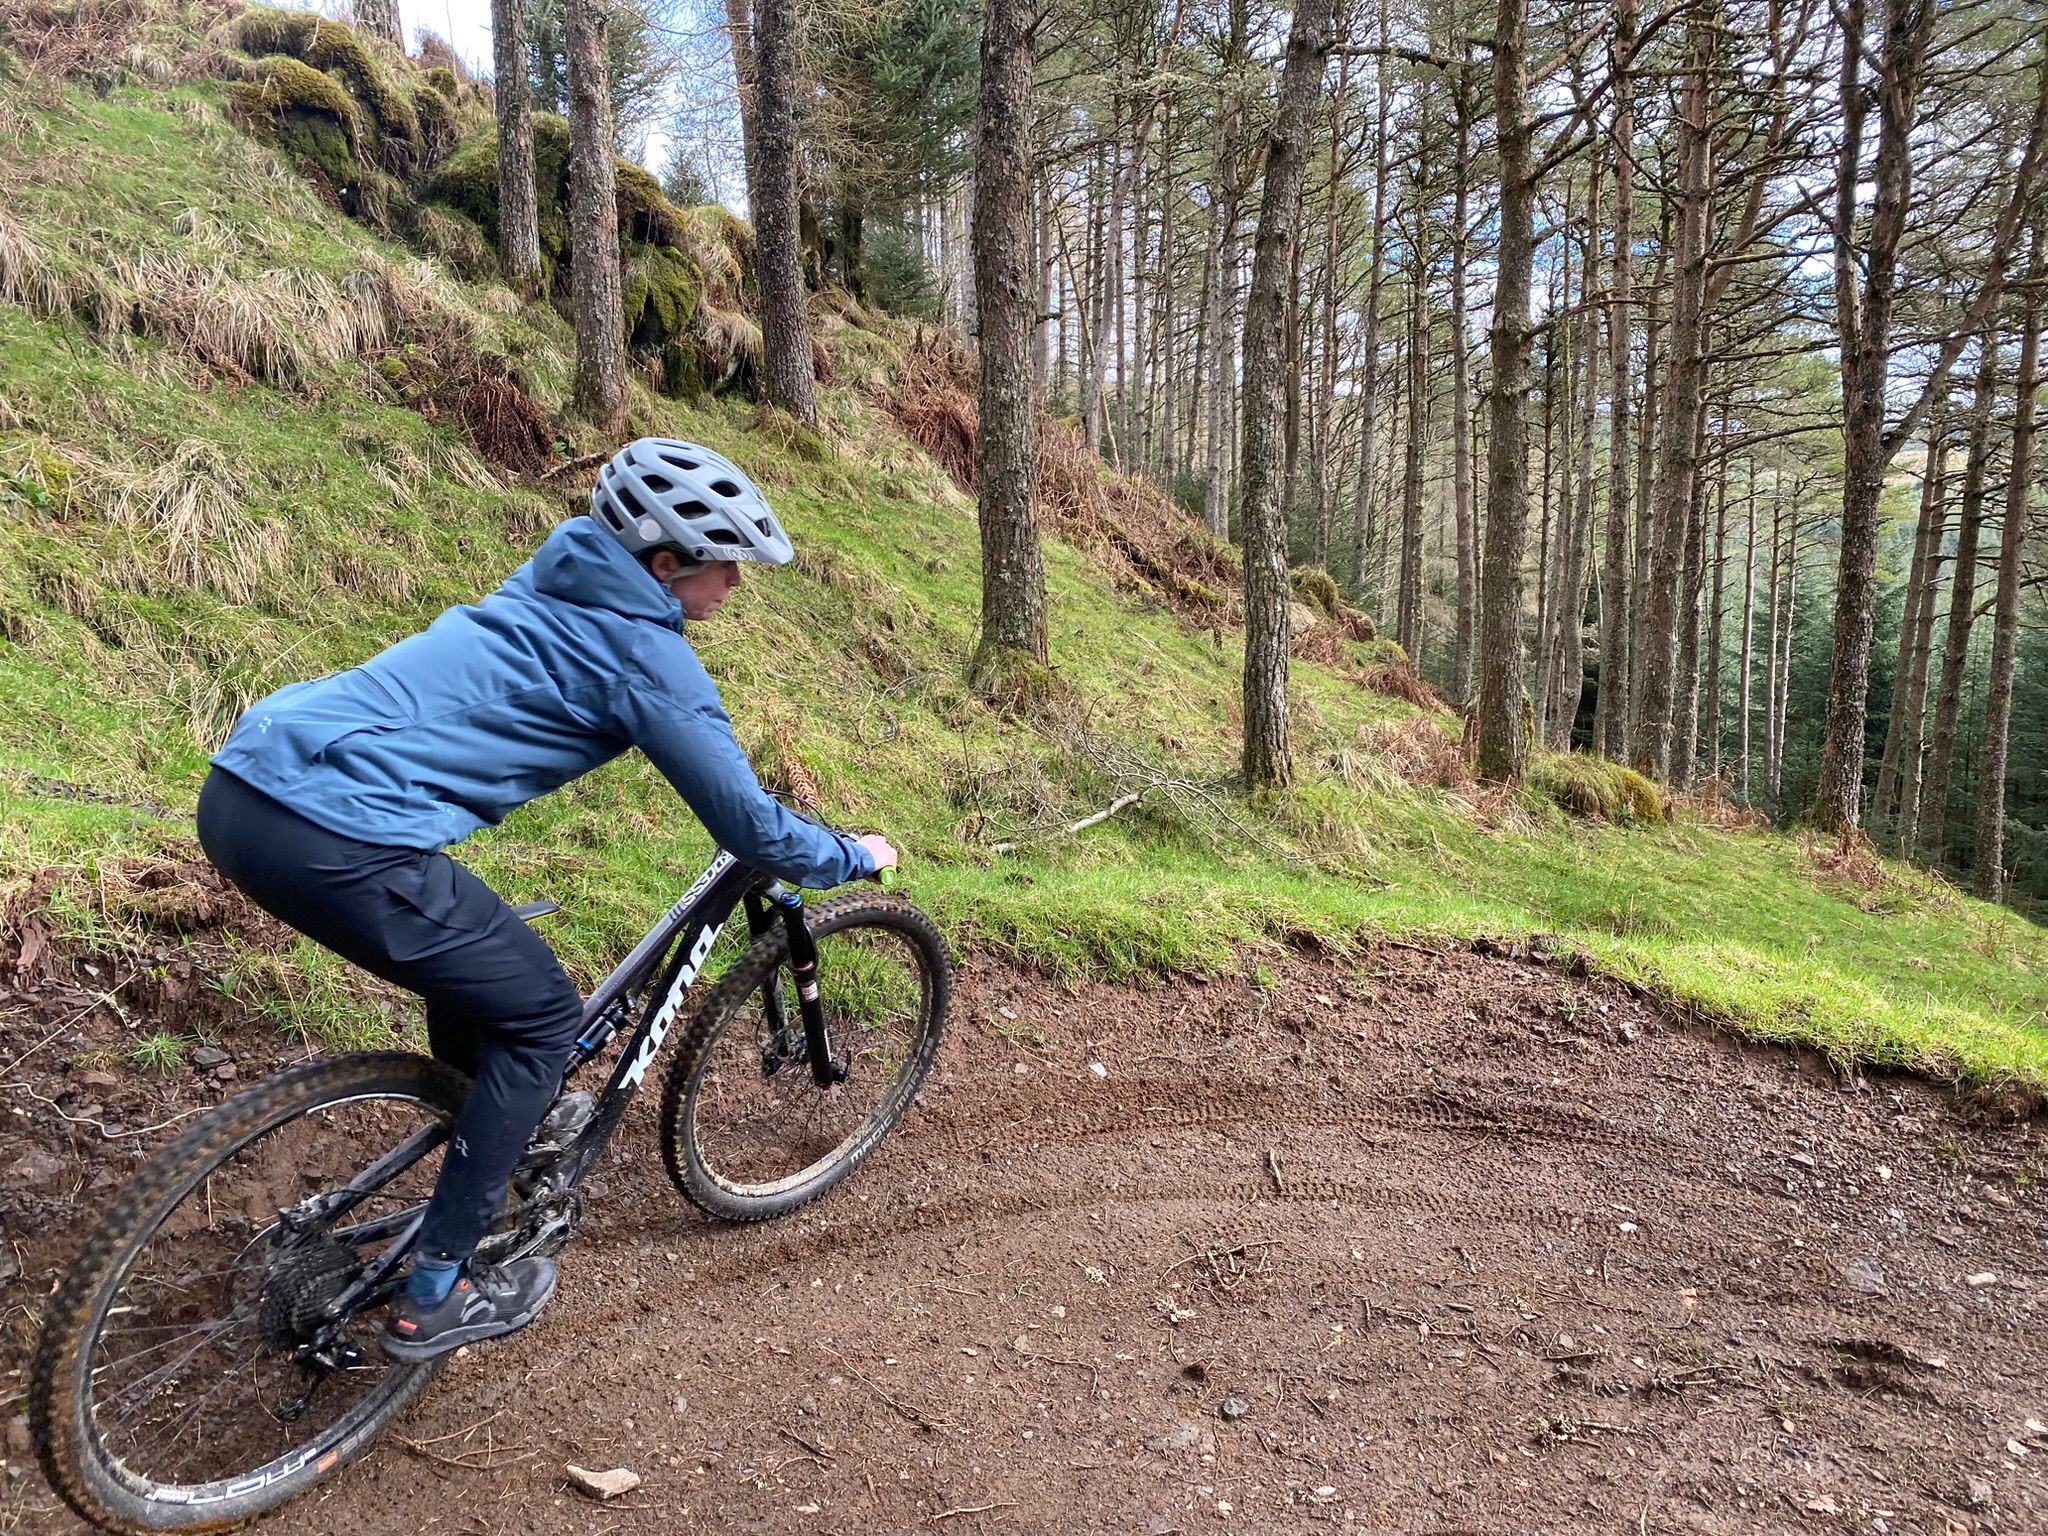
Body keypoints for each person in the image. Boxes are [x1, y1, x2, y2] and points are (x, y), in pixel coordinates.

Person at [196, 438, 896, 1361]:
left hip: (244, 784)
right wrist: (850, 852)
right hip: (341, 832)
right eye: (725, 564)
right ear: (664, 563)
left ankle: (491, 1123)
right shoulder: (644, 654)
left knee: (486, 970)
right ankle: (436, 1290)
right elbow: (756, 833)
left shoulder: (551, 580)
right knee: (539, 1021)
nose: (735, 583)